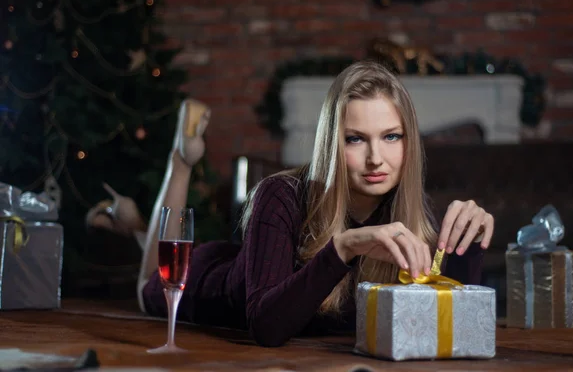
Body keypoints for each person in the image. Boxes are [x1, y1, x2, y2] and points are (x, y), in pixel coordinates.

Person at [138, 61, 495, 347]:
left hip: (251, 258)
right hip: (206, 280)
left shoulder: (412, 208)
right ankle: (181, 161)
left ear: (408, 142)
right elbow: (266, 328)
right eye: (355, 139)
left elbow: (452, 332)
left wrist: (468, 248)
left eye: (390, 137)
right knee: (150, 277)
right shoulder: (279, 195)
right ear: (332, 146)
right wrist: (342, 248)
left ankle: (131, 223)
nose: (376, 158)